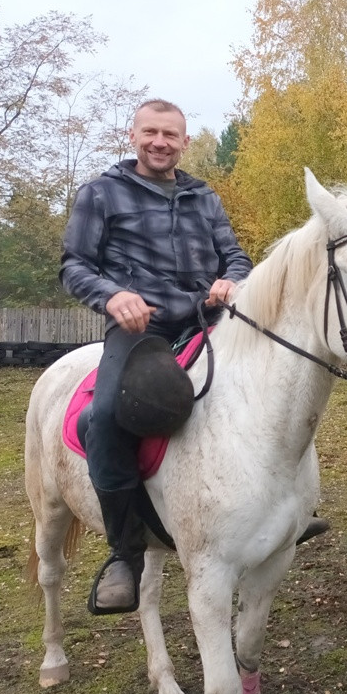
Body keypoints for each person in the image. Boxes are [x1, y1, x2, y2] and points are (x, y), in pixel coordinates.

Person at [60, 98, 254, 614]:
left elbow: (234, 254)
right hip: (138, 330)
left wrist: (232, 280)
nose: (160, 142)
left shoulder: (202, 196)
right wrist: (111, 295)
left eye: (170, 134)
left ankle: (278, 514)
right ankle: (124, 552)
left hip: (206, 322)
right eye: (151, 132)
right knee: (103, 418)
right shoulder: (101, 193)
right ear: (133, 135)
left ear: (184, 142)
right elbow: (74, 265)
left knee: (269, 389)